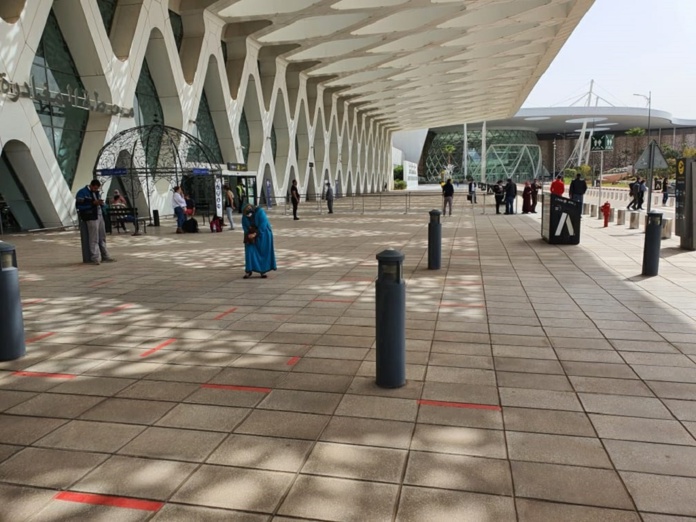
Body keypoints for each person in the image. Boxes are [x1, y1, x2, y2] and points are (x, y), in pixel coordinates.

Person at [76, 179, 116, 265]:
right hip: (91, 216)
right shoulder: (82, 192)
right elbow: (79, 205)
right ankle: (95, 257)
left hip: (99, 215)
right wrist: (93, 204)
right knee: (94, 237)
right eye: (94, 188)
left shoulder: (96, 193)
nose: (95, 190)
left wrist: (100, 204)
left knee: (102, 236)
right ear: (91, 186)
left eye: (97, 188)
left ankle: (105, 256)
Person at [242, 204, 276, 279]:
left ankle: (262, 270)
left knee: (262, 252)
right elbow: (244, 225)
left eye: (249, 208)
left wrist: (256, 233)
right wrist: (248, 233)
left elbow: (263, 224)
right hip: (250, 235)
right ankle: (248, 270)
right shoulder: (245, 215)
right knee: (249, 251)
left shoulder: (260, 212)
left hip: (263, 234)